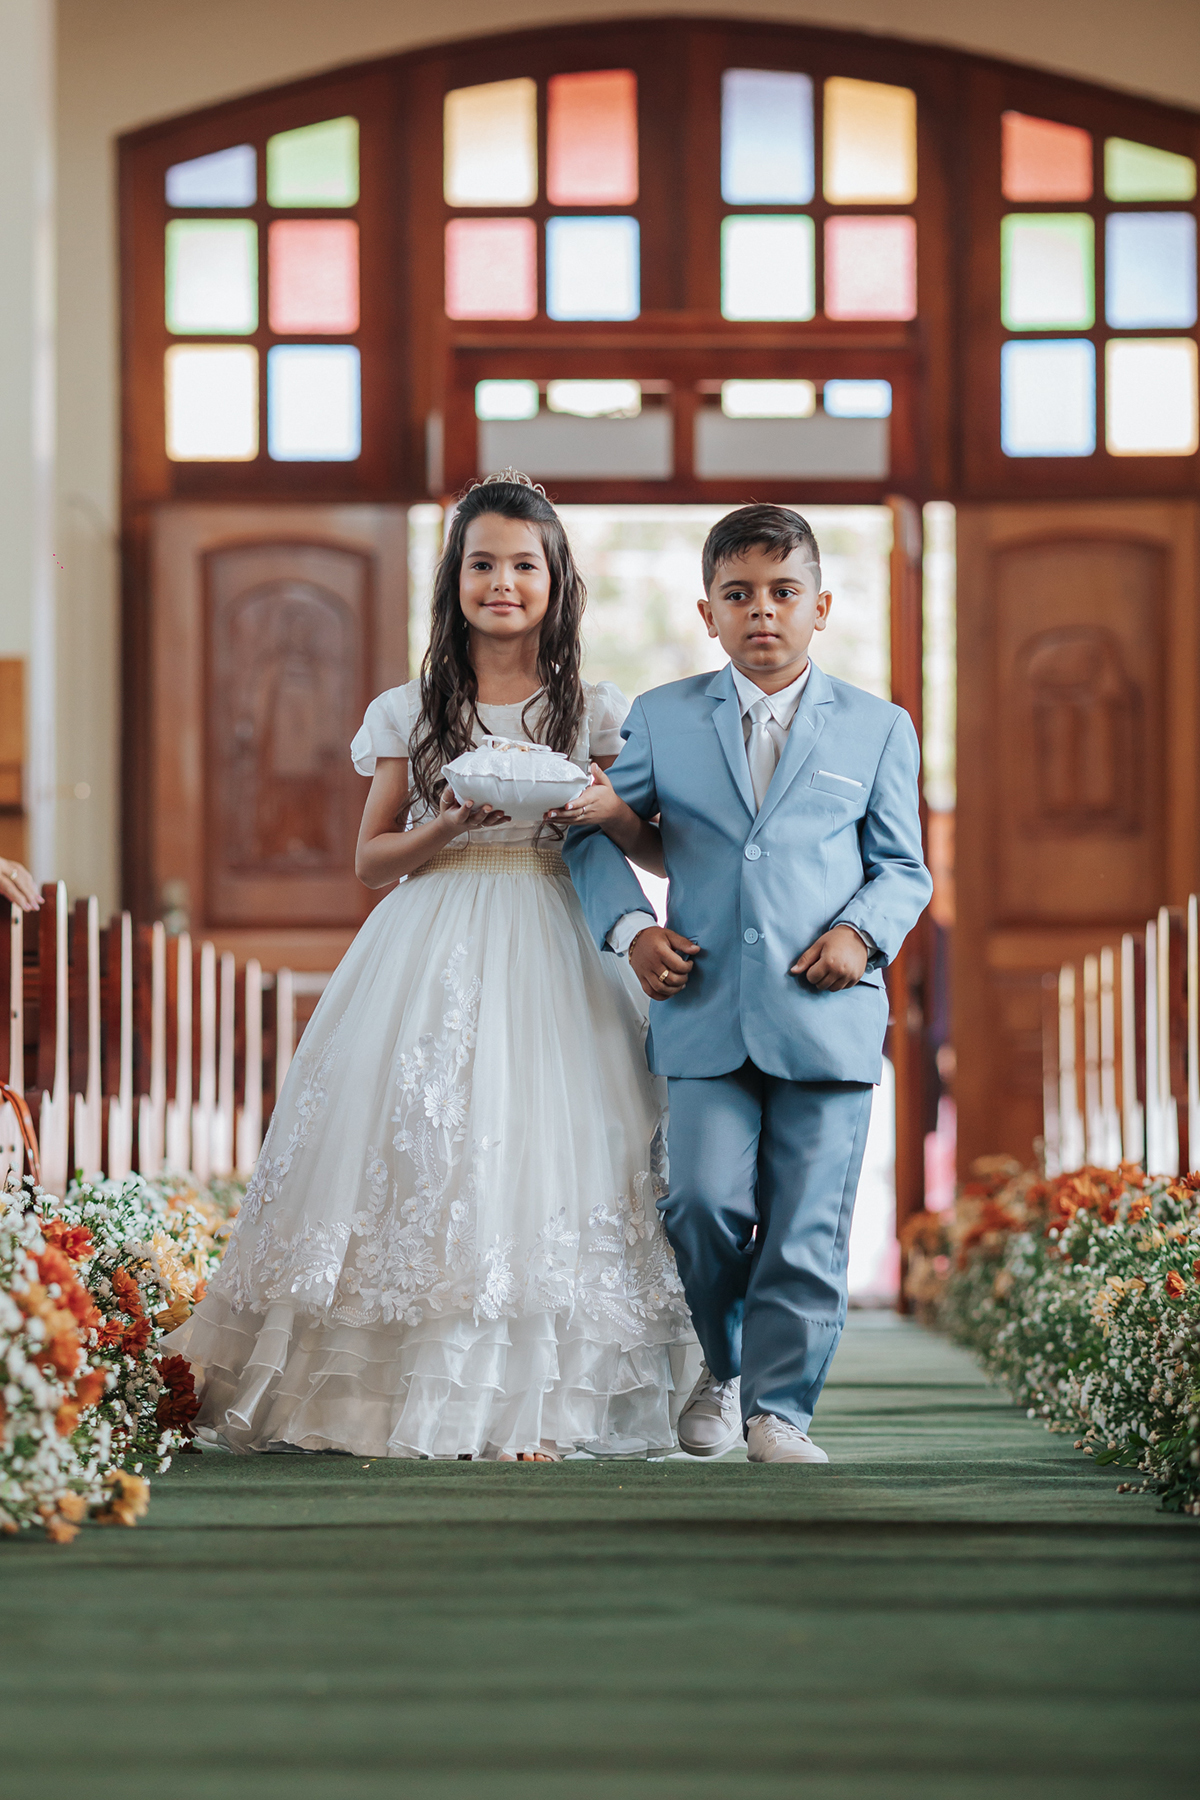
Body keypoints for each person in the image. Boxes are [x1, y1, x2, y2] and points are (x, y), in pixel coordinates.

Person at [166, 474, 692, 1461]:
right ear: (454, 579)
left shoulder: (596, 709)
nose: (503, 583)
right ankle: (380, 1395)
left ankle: (548, 1400)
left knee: (556, 1140)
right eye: (482, 564)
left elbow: (655, 848)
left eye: (524, 566)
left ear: (557, 582)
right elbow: (370, 861)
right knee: (428, 1137)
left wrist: (607, 809)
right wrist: (445, 824)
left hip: (561, 929)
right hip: (435, 928)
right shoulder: (409, 709)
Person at [561, 504, 932, 1464]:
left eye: (783, 591)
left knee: (807, 1226)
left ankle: (781, 1411)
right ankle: (719, 1370)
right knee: (701, 1203)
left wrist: (860, 932)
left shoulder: (880, 728)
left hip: (825, 1015)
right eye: (739, 594)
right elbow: (591, 827)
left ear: (821, 607)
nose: (762, 610)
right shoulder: (663, 717)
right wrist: (633, 929)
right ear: (708, 613)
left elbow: (904, 869)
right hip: (703, 1008)